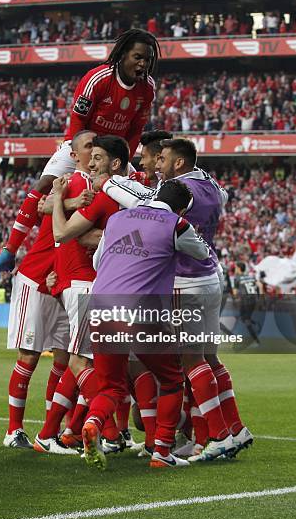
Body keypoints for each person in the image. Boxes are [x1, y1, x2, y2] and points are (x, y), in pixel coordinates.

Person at [96, 138, 253, 461]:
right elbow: (222, 196)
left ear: (178, 163)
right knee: (209, 358)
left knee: (190, 360)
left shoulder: (180, 191)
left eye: (160, 159)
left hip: (186, 280)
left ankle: (219, 435)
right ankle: (228, 429)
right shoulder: (209, 182)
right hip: (209, 274)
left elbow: (145, 201)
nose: (155, 166)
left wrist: (110, 181)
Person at [0, 29, 160, 276]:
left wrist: (122, 160)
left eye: (148, 60)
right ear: (122, 56)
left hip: (114, 153)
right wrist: (82, 153)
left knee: (139, 194)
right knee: (44, 183)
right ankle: (9, 252)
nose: (144, 64)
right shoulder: (98, 79)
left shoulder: (148, 87)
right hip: (83, 143)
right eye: (138, 57)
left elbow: (136, 128)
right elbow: (77, 120)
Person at [81, 179, 210, 470]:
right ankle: (162, 451)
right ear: (181, 209)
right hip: (141, 312)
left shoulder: (116, 218)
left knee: (111, 387)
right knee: (172, 379)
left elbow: (98, 264)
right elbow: (202, 254)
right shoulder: (177, 224)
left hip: (100, 308)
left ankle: (93, 423)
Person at [33, 135, 130, 453]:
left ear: (114, 163)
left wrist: (60, 199)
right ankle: (89, 431)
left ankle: (80, 431)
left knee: (79, 362)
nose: (92, 160)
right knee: (81, 361)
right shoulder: (120, 193)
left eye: (98, 154)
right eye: (90, 152)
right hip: (89, 285)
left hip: (89, 285)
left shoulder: (102, 192)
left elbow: (56, 223)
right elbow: (43, 207)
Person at [3, 131, 95, 452]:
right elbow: (41, 203)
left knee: (63, 360)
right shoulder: (68, 181)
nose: (93, 150)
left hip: (64, 283)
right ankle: (14, 430)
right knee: (29, 356)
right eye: (88, 146)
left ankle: (50, 433)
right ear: (74, 152)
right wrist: (66, 200)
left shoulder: (95, 186)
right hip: (37, 278)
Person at [233, 261, 263, 344]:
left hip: (246, 301)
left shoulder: (237, 278)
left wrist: (235, 298)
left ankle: (256, 341)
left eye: (236, 267)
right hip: (253, 300)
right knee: (243, 318)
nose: (235, 269)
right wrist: (260, 297)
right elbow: (260, 285)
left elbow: (235, 293)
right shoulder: (250, 276)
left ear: (239, 269)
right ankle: (255, 324)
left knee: (246, 320)